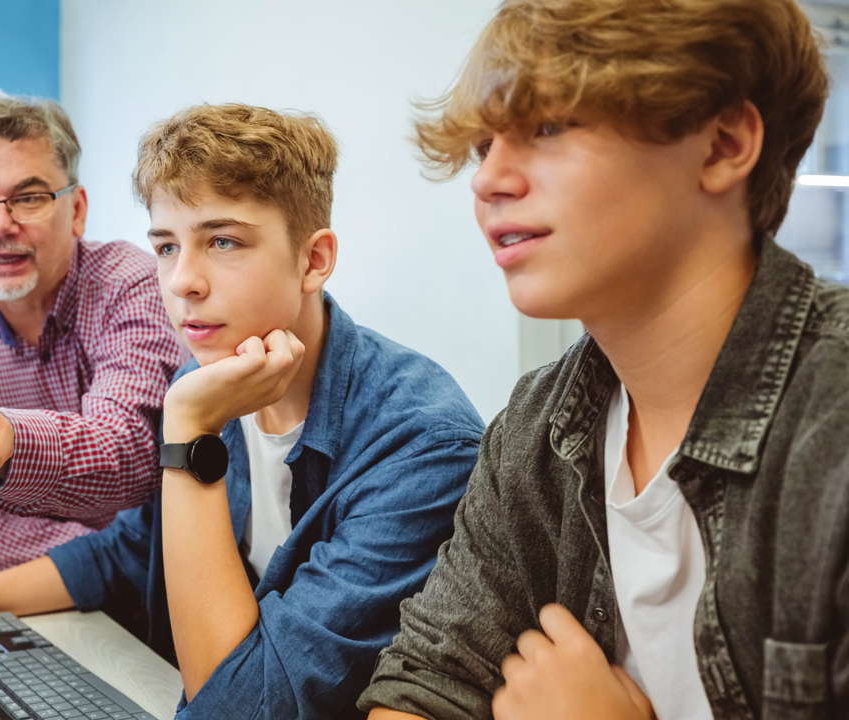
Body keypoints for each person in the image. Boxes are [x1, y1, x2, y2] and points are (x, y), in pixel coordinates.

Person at [0, 104, 485, 719]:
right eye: (167, 246)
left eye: (222, 242)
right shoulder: (210, 381)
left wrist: (189, 433)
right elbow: (123, 553)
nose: (182, 281)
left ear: (314, 260)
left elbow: (241, 706)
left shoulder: (418, 444)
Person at [358, 1, 848, 719]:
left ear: (722, 144)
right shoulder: (533, 429)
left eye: (548, 128)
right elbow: (426, 685)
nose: (486, 181)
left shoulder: (831, 436)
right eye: (483, 146)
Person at [0, 93, 187, 571]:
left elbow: (129, 451)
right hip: (58, 592)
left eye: (29, 198)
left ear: (76, 211)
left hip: (158, 606)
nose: (0, 225)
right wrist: (105, 558)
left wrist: (2, 440)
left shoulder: (131, 284)